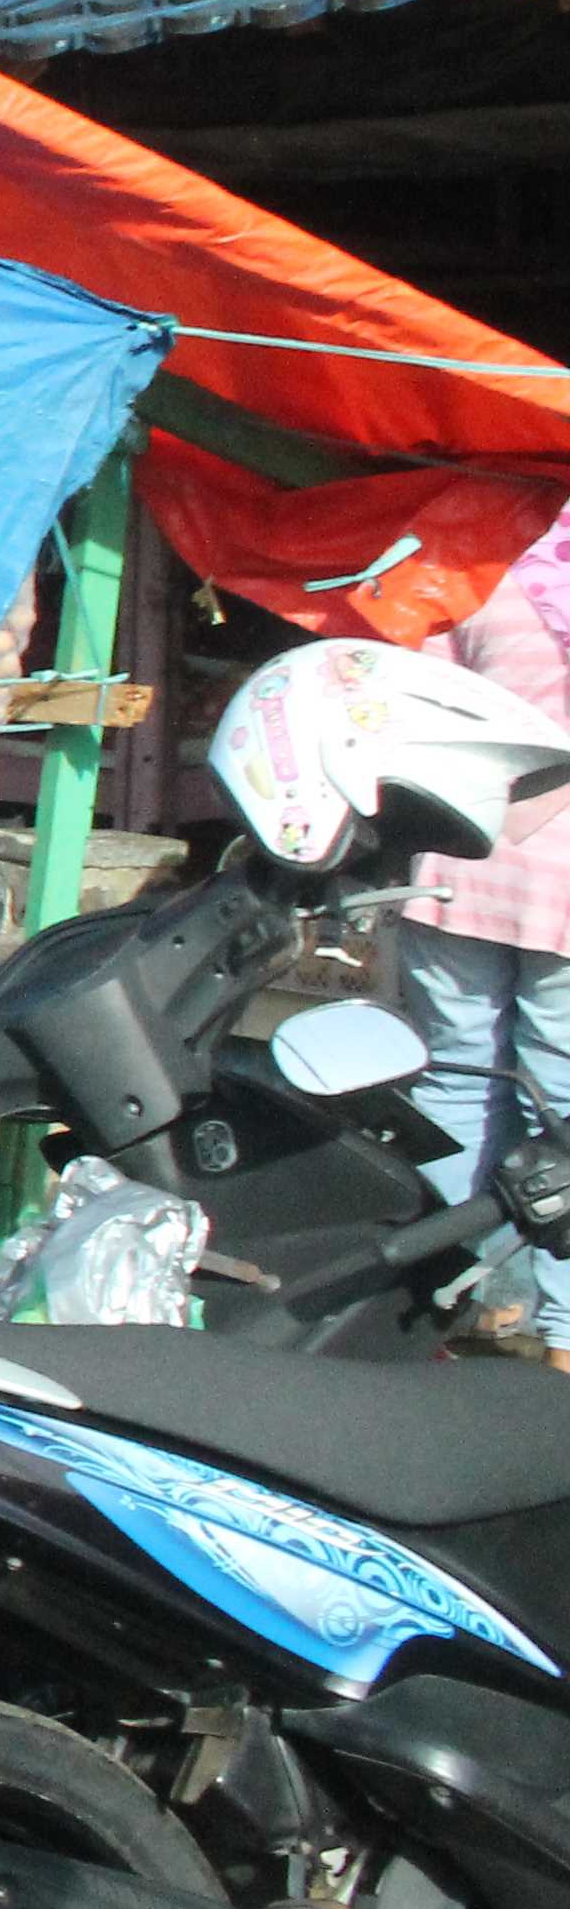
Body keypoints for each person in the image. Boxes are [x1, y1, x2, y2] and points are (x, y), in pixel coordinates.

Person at [393, 515, 570, 1369]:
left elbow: (413, 714)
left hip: (462, 866)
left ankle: (449, 1299)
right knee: (563, 1108)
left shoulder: (471, 552)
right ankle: (565, 1332)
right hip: (563, 888)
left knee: (456, 1086)